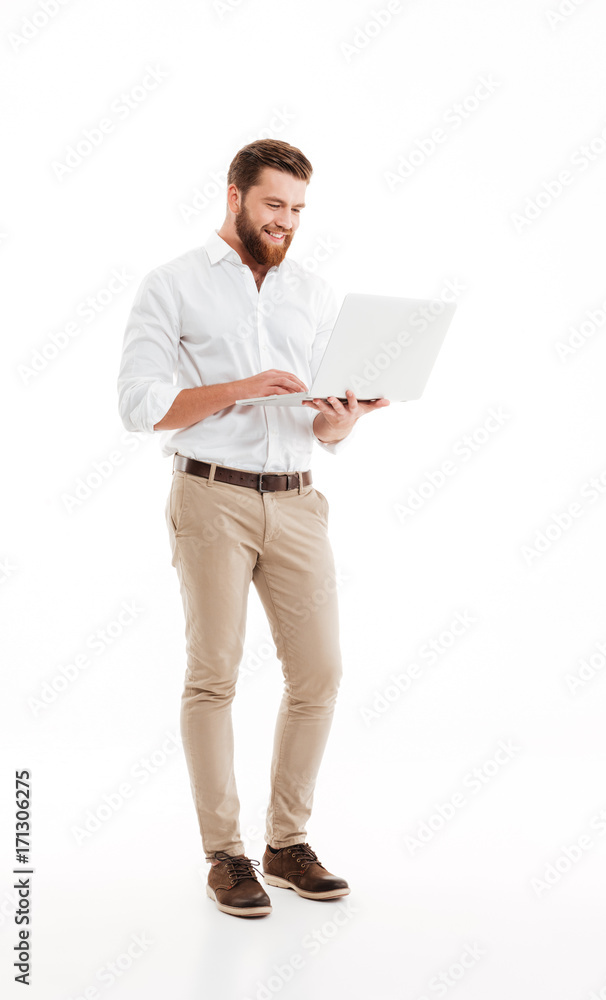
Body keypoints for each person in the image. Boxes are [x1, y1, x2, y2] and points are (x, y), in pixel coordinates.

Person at [116, 137, 389, 918]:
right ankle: (226, 854)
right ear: (233, 195)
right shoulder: (171, 285)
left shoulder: (312, 291)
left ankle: (286, 844)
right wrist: (237, 388)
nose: (286, 222)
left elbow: (321, 429)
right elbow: (138, 407)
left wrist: (342, 420)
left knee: (320, 674)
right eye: (274, 205)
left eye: (298, 209)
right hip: (211, 498)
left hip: (298, 500)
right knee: (215, 674)